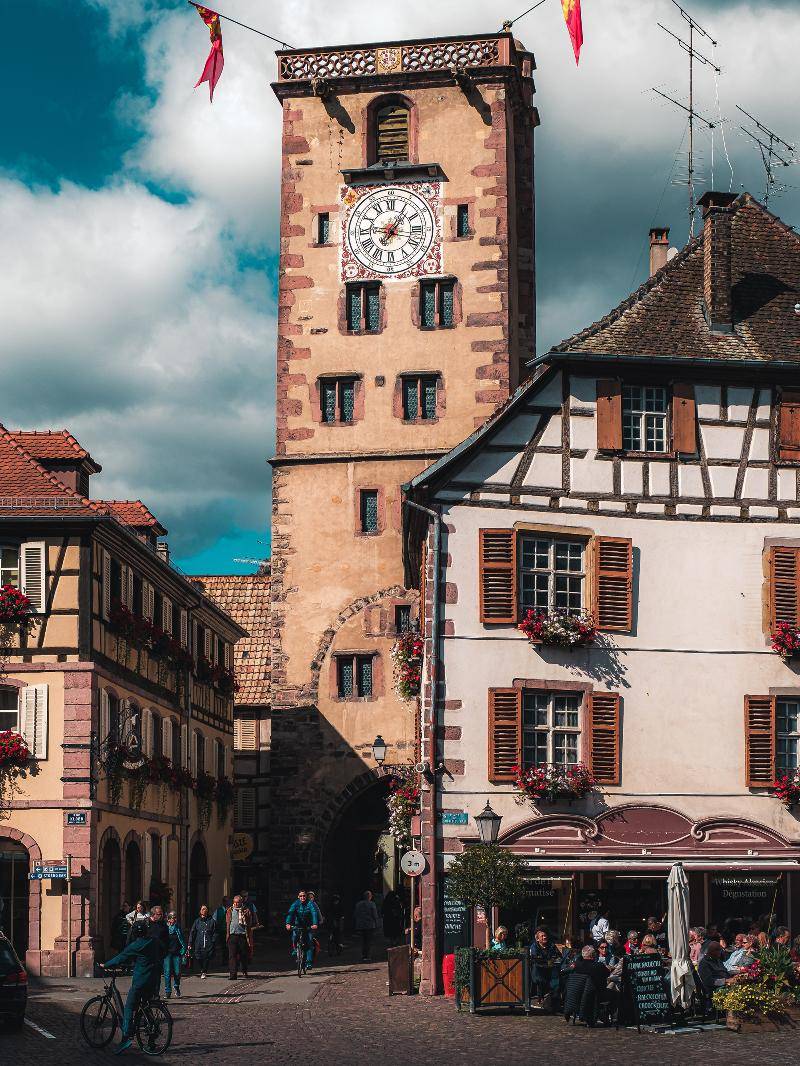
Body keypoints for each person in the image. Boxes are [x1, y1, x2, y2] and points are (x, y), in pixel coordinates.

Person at [103, 914, 167, 1054]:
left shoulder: (136, 945)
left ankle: (126, 1036)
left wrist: (105, 965)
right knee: (146, 1006)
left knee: (129, 1007)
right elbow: (163, 950)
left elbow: (121, 957)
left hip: (141, 981)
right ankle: (151, 1039)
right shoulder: (154, 941)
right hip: (154, 979)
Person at [285, 889, 319, 971]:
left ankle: (309, 962)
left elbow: (314, 913)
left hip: (308, 926)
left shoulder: (310, 904)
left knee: (309, 942)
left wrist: (315, 924)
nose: (302, 897)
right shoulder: (295, 904)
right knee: (294, 936)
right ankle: (295, 949)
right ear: (298, 897)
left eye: (304, 896)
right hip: (298, 925)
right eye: (301, 896)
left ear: (306, 896)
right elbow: (290, 913)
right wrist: (288, 923)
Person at [529, 927, 561, 1010]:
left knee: (556, 975)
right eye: (542, 936)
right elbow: (535, 959)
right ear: (537, 939)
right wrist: (547, 962)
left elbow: (558, 956)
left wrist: (553, 960)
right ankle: (541, 997)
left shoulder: (551, 945)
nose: (545, 937)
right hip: (539, 969)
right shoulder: (534, 947)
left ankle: (554, 999)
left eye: (545, 935)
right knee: (538, 974)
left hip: (550, 968)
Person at [226, 894, 253, 980]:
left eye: (238, 902)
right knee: (232, 956)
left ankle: (244, 970)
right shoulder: (230, 910)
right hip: (232, 935)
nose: (236, 904)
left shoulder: (246, 910)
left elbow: (249, 923)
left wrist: (246, 915)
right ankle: (233, 974)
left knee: (243, 955)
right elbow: (227, 922)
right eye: (235, 902)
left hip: (242, 935)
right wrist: (227, 934)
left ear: (241, 902)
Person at [188, 904, 218, 980]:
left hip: (208, 943)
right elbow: (192, 932)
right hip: (199, 942)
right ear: (200, 911)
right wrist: (190, 943)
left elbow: (215, 932)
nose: (204, 910)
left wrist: (213, 940)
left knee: (207, 957)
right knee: (198, 957)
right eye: (202, 909)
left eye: (205, 909)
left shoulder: (212, 921)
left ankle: (204, 971)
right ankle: (202, 968)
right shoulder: (197, 921)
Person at [162, 912, 186, 999]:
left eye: (175, 918)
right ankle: (168, 991)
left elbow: (182, 939)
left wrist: (184, 949)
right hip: (167, 953)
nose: (175, 919)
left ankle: (176, 986)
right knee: (167, 972)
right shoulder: (165, 928)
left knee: (177, 972)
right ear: (169, 919)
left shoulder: (178, 928)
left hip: (177, 952)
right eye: (173, 918)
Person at [353, 890, 381, 962]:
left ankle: (363, 954)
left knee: (363, 940)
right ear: (370, 897)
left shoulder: (358, 904)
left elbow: (355, 914)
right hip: (369, 925)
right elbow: (375, 915)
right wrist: (377, 923)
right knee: (368, 940)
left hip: (361, 925)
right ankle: (367, 955)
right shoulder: (372, 904)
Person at [214, 897, 229, 964]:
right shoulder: (218, 910)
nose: (226, 902)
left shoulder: (231, 909)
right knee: (223, 946)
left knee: (228, 946)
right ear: (223, 902)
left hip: (229, 930)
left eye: (227, 901)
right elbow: (214, 920)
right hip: (221, 931)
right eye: (225, 901)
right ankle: (223, 960)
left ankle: (227, 960)